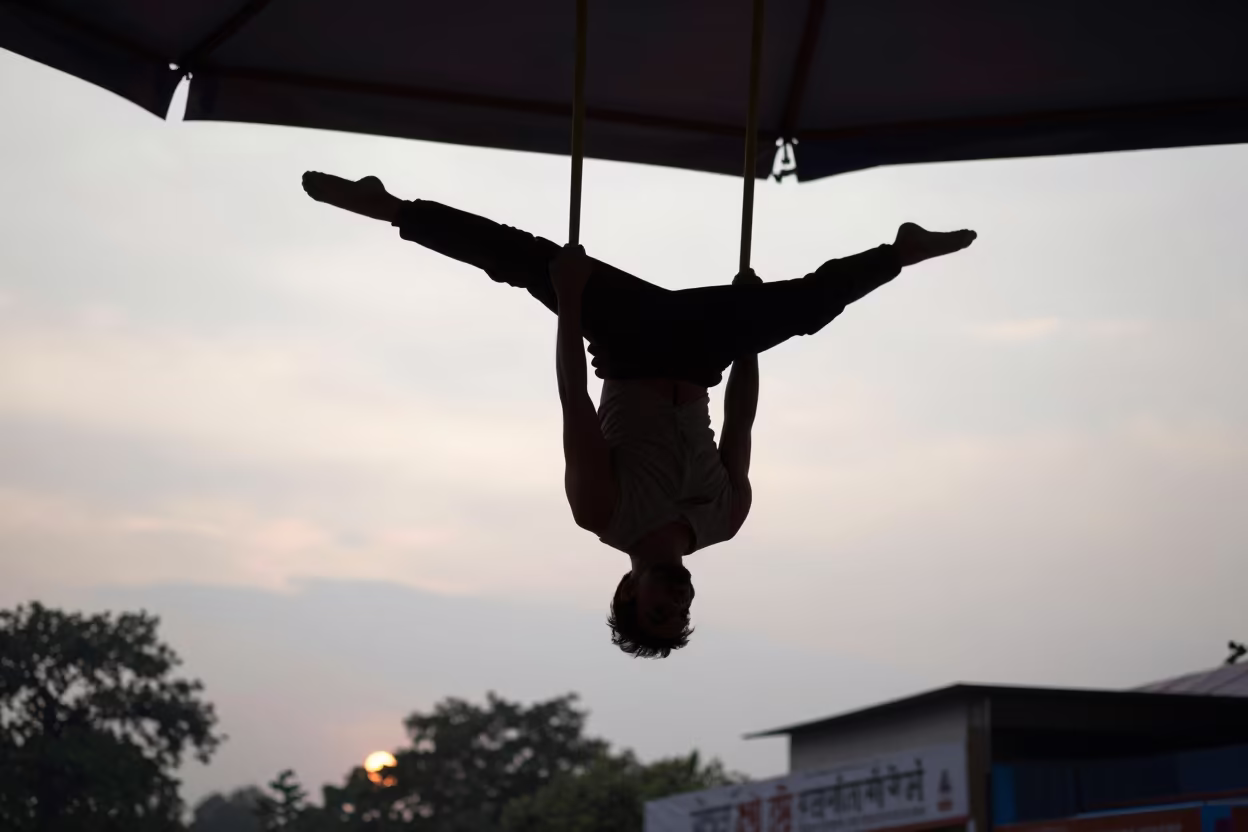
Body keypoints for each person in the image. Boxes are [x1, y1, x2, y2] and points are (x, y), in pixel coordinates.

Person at [301, 172, 977, 659]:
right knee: (801, 310)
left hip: (628, 346)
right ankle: (901, 251)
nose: (676, 602)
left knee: (527, 260)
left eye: (658, 611)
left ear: (628, 595)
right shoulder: (725, 522)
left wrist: (568, 301)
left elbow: (573, 399)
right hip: (704, 354)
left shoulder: (601, 512)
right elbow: (740, 427)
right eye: (679, 615)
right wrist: (748, 336)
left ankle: (390, 207)